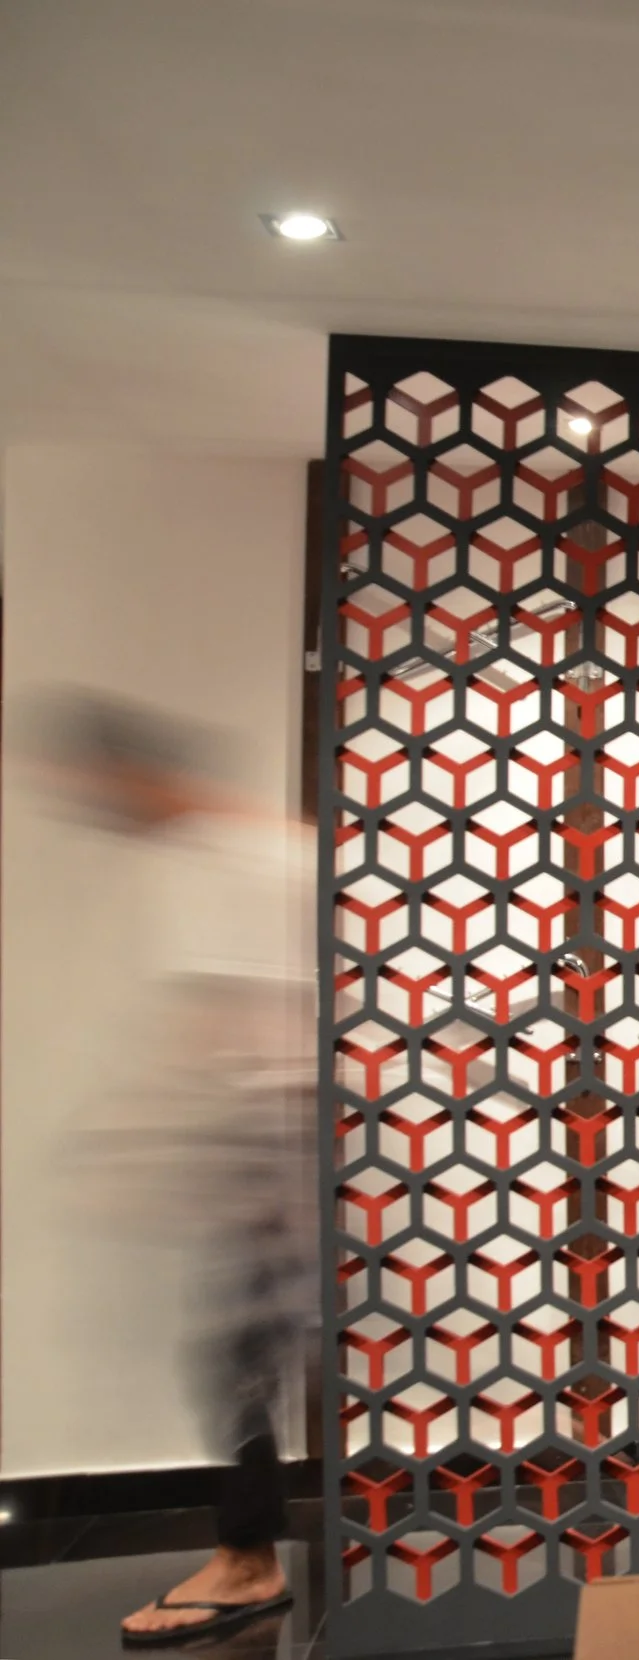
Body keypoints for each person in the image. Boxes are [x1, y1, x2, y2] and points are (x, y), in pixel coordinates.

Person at [39, 695, 318, 1647]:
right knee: (246, 1357)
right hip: (292, 1140)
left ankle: (247, 1563)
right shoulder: (276, 845)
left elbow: (228, 1024)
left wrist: (135, 1142)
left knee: (234, 1360)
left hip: (276, 1147)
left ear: (130, 776)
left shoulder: (216, 855)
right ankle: (252, 1553)